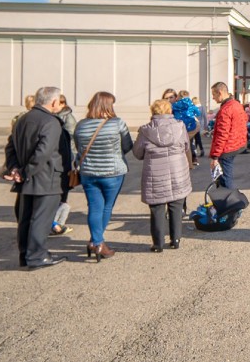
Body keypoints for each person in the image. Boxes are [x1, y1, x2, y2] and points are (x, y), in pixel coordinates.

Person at [3, 86, 70, 269]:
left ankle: (26, 255)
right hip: (46, 178)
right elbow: (44, 152)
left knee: (26, 218)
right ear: (54, 102)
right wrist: (24, 172)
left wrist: (15, 168)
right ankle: (38, 256)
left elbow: (10, 148)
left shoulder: (23, 119)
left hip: (28, 178)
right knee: (41, 219)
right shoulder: (51, 122)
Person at [74, 91, 134, 262]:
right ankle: (98, 242)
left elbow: (78, 148)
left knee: (94, 207)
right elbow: (128, 145)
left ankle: (96, 241)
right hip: (113, 172)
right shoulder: (117, 123)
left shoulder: (81, 125)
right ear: (108, 106)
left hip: (88, 172)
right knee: (107, 207)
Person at [133, 99, 193, 252]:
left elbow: (138, 153)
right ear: (169, 111)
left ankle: (158, 244)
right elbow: (186, 146)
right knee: (176, 206)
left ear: (153, 112)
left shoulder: (145, 130)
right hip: (178, 171)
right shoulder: (180, 126)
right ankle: (176, 239)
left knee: (157, 208)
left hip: (155, 174)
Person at [209, 82, 248, 190]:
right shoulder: (236, 104)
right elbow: (244, 120)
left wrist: (215, 156)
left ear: (220, 93)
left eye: (214, 94)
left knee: (226, 179)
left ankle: (230, 203)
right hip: (236, 143)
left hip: (227, 148)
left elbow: (222, 134)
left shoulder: (225, 110)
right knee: (226, 177)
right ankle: (228, 202)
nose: (213, 97)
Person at [50, 94, 77, 236]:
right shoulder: (51, 117)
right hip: (57, 157)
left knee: (62, 191)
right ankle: (54, 222)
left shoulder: (68, 117)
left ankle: (57, 223)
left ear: (63, 104)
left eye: (59, 103)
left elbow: (72, 137)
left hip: (67, 156)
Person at [172, 90, 201, 166]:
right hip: (191, 126)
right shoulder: (191, 104)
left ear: (178, 96)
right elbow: (198, 113)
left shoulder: (175, 105)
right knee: (189, 143)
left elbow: (170, 111)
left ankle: (182, 163)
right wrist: (191, 114)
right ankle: (190, 162)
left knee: (180, 144)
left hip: (179, 126)